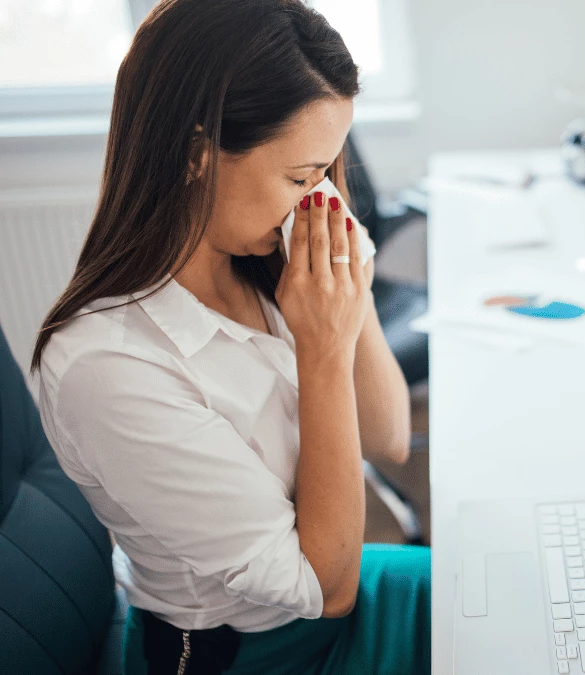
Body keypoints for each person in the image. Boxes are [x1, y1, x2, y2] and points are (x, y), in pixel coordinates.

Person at [31, 1, 429, 673]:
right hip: (250, 651)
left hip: (342, 578)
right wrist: (322, 348)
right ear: (196, 155)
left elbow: (387, 433)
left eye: (328, 171)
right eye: (302, 177)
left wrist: (342, 295)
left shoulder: (286, 237)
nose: (320, 203)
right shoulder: (107, 367)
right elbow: (323, 591)